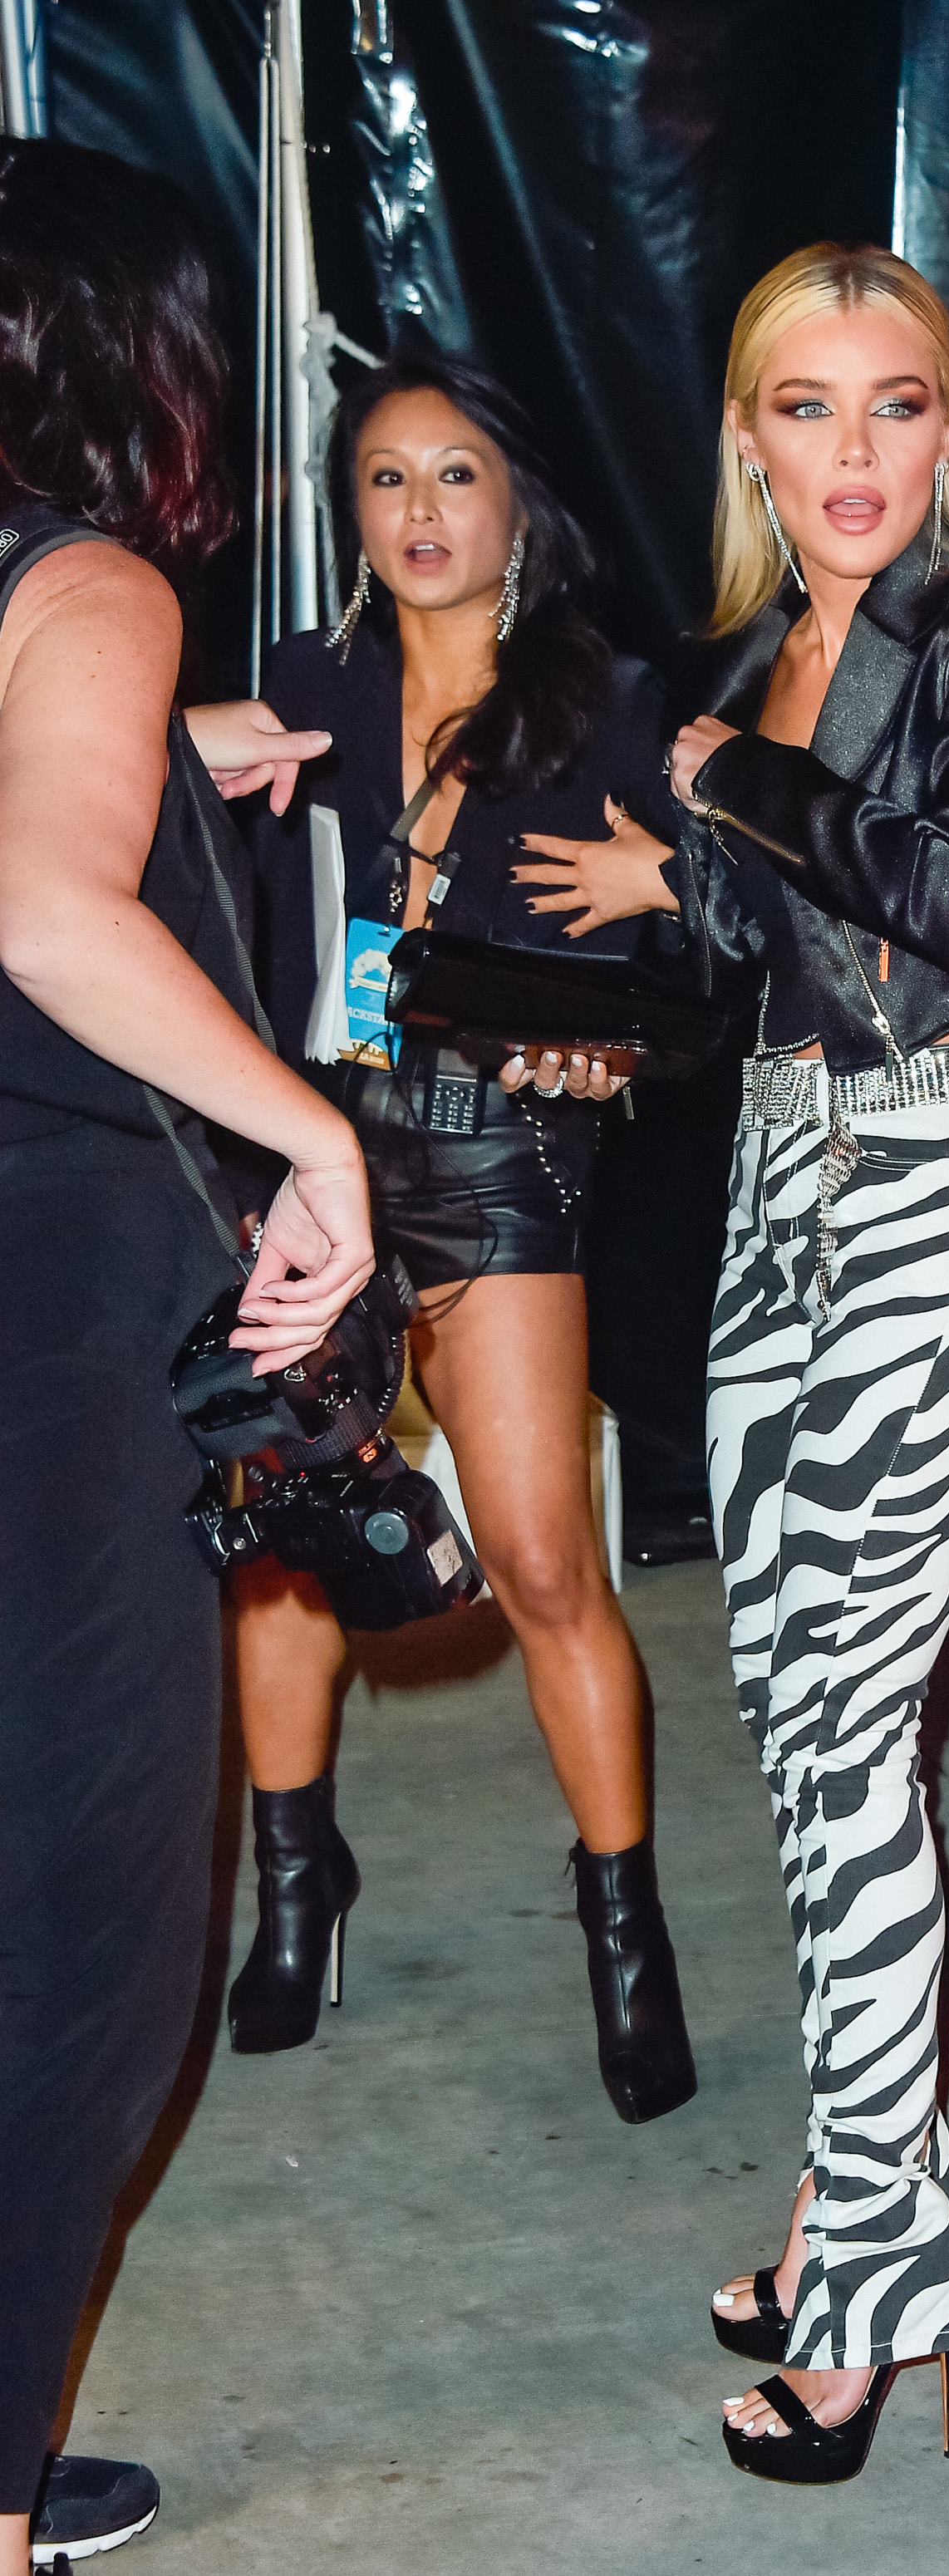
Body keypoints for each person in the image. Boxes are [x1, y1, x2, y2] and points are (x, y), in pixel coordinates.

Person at [535, 240, 949, 2480]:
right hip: (783, 1199)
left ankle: (873, 2284)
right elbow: (779, 948)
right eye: (806, 406)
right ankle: (868, 2206)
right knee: (802, 1739)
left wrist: (731, 784)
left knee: (852, 1751)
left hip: (937, 1208)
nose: (854, 452)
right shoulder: (771, 656)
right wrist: (647, 920)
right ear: (749, 438)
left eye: (896, 402)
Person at [0, 140, 375, 2571]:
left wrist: (163, 748)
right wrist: (308, 1129)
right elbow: (41, 905)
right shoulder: (90, 579)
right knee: (87, 1958)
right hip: (46, 1350)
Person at [228, 351, 696, 2126]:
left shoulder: (608, 703)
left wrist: (630, 1017)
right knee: (281, 1548)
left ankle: (626, 1934)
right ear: (350, 515)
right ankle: (295, 1892)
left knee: (541, 1557)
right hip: (307, 1150)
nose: (419, 510)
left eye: (454, 475)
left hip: (496, 1154)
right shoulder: (304, 688)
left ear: (519, 508)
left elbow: (693, 965)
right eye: (385, 478)